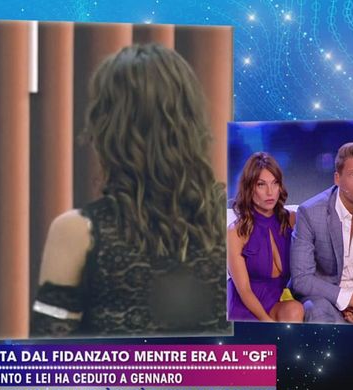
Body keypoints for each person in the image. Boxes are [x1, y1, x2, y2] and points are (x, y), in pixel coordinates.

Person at [30, 43, 230, 337]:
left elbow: (49, 356)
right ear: (193, 122)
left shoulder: (76, 232)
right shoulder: (241, 222)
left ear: (109, 130)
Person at [290, 142, 353, 324]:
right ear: (337, 178)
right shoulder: (310, 212)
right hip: (327, 297)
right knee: (316, 312)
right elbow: (301, 279)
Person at [227, 152, 304, 322]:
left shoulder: (292, 220)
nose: (270, 192)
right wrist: (267, 323)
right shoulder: (236, 232)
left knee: (295, 310)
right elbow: (244, 290)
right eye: (261, 184)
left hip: (277, 301)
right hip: (247, 305)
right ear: (249, 188)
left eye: (275, 183)